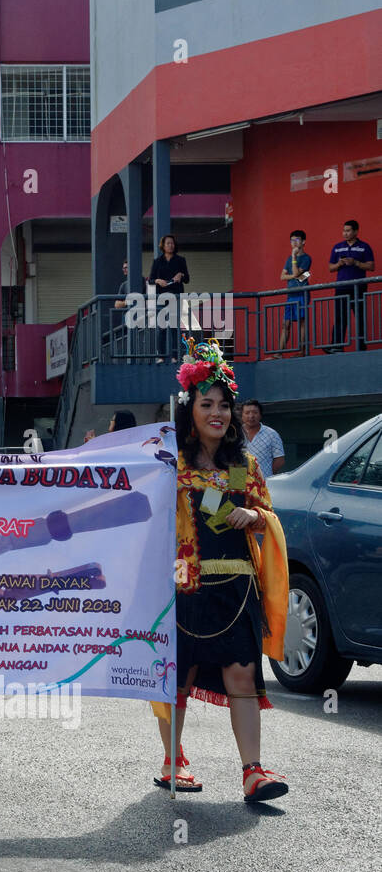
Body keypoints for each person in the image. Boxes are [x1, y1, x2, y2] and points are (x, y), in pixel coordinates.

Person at [155, 339, 290, 802]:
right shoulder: (167, 463)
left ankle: (253, 772)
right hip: (183, 587)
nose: (218, 413)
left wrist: (255, 518)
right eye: (206, 404)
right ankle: (173, 762)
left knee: (242, 677)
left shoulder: (241, 466)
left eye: (224, 405)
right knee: (179, 676)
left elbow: (261, 513)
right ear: (188, 409)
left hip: (236, 590)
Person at [327, 219, 373, 351]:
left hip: (358, 287)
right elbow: (330, 268)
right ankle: (337, 346)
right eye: (344, 231)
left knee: (360, 317)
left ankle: (361, 347)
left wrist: (356, 262)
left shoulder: (364, 246)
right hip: (341, 287)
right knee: (340, 317)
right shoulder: (337, 247)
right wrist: (339, 264)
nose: (345, 233)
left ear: (356, 231)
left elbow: (371, 266)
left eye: (348, 231)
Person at [149, 234, 189, 360]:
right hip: (161, 296)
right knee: (161, 327)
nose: (170, 245)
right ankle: (161, 356)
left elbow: (187, 279)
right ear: (163, 245)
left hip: (176, 296)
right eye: (168, 243)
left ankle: (175, 357)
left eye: (172, 243)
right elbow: (150, 279)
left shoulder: (180, 260)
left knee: (174, 327)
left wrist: (181, 275)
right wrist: (157, 280)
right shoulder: (157, 261)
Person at [279, 229, 311, 352]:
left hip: (302, 294)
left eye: (296, 240)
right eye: (292, 240)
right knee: (285, 324)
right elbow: (282, 276)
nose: (294, 243)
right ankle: (279, 353)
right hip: (290, 295)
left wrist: (293, 257)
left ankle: (302, 351)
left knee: (302, 323)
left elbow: (297, 272)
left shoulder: (306, 258)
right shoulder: (289, 259)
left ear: (303, 242)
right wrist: (293, 276)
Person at [241, 400, 284, 477]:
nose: (251, 416)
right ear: (242, 416)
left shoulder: (272, 434)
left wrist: (266, 476)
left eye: (255, 412)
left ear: (260, 415)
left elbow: (280, 460)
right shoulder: (234, 434)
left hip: (263, 484)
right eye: (247, 413)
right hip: (238, 482)